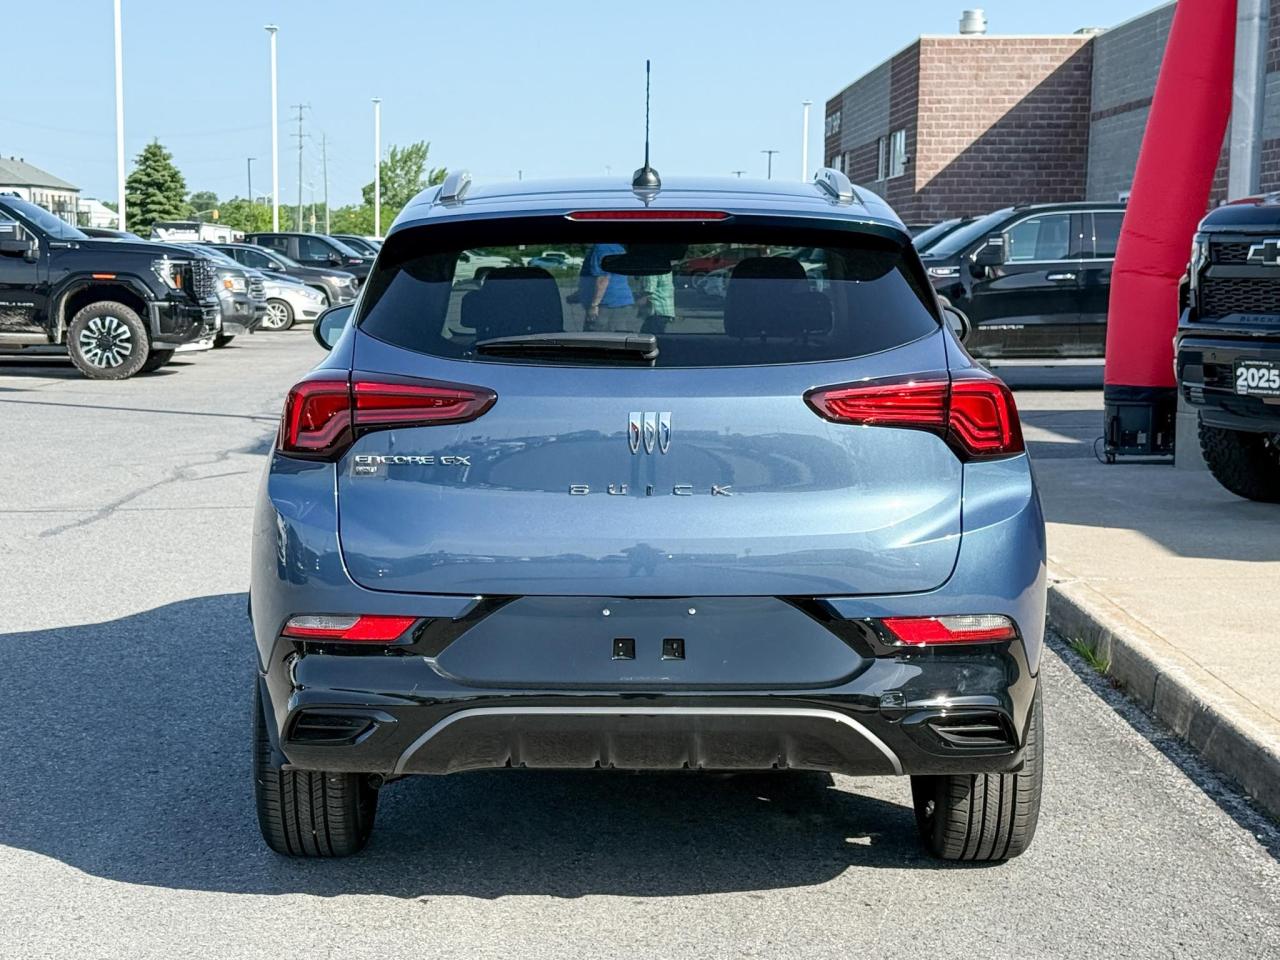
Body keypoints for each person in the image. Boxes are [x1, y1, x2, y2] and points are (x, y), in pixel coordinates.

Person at [578, 243, 635, 331]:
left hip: (606, 303)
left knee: (594, 338)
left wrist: (594, 305)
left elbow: (603, 278)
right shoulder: (618, 247)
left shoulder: (601, 248)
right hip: (622, 300)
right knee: (618, 336)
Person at [637, 269, 675, 334]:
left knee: (644, 338)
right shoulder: (666, 268)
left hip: (656, 311)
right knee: (659, 338)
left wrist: (636, 303)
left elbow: (649, 290)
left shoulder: (652, 269)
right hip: (666, 310)